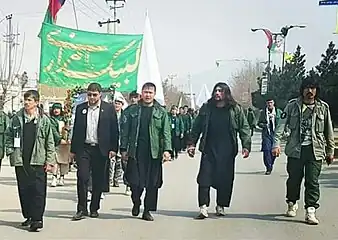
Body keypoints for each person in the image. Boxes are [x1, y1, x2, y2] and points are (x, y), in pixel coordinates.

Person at [272, 77, 335, 225]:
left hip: (315, 150)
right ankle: (292, 203)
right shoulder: (292, 106)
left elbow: (329, 131)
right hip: (295, 150)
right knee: (294, 180)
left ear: (316, 90)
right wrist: (276, 144)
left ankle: (311, 210)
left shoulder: (323, 108)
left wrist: (330, 151)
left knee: (312, 182)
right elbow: (280, 126)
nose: (310, 91)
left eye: (313, 88)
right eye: (307, 88)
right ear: (302, 90)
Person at [187, 82, 251, 219]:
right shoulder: (206, 108)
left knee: (225, 180)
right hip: (208, 150)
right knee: (204, 179)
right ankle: (203, 207)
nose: (217, 93)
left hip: (227, 152)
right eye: (215, 90)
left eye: (220, 91)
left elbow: (244, 128)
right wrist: (191, 143)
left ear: (226, 93)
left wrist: (246, 145)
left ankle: (221, 205)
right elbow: (196, 127)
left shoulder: (235, 109)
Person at [120, 82, 172, 221]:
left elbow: (166, 132)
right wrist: (123, 149)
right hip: (135, 152)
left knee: (152, 184)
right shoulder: (132, 111)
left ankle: (147, 210)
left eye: (150, 92)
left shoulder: (161, 112)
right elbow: (125, 131)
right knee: (135, 182)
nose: (148, 95)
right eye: (145, 92)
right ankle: (136, 202)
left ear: (154, 94)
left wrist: (167, 150)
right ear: (141, 93)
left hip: (153, 154)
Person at [5, 90, 55, 232]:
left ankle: (37, 218)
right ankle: (28, 215)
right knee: (24, 190)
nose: (27, 102)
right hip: (21, 160)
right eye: (25, 100)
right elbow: (8, 136)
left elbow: (49, 142)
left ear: (37, 103)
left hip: (38, 161)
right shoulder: (16, 118)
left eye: (30, 100)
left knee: (38, 190)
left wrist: (50, 161)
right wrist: (10, 151)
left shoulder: (44, 120)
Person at [70, 83, 119, 221]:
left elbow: (114, 130)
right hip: (84, 148)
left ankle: (94, 208)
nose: (92, 97)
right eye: (89, 95)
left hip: (101, 149)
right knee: (82, 177)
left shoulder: (108, 109)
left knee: (98, 179)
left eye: (94, 95)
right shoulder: (81, 109)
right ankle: (81, 209)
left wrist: (113, 148)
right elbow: (77, 131)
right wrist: (73, 150)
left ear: (100, 95)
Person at [257, 99, 282, 175]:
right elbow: (259, 123)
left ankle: (271, 162)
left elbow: (282, 123)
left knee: (274, 151)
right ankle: (268, 167)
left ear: (273, 103)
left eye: (271, 102)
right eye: (268, 103)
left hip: (275, 134)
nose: (269, 104)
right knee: (267, 150)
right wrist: (264, 125)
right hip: (267, 134)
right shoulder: (263, 113)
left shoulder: (278, 112)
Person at [49, 103, 71, 187]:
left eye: (58, 108)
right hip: (55, 143)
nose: (56, 110)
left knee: (64, 161)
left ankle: (62, 177)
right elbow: (53, 131)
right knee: (55, 161)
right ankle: (54, 177)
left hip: (65, 144)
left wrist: (68, 138)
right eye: (55, 108)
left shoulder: (65, 119)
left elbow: (69, 129)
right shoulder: (51, 120)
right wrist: (59, 139)